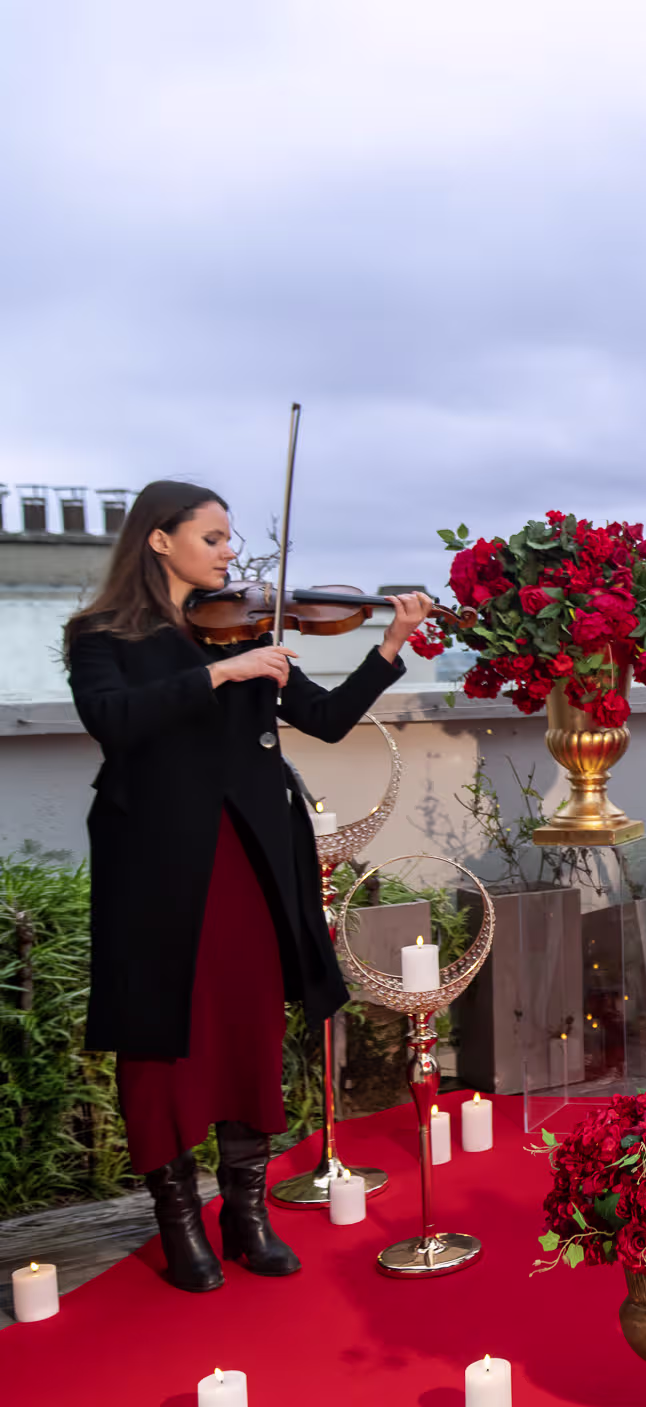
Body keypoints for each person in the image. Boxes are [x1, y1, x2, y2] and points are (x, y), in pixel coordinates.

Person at [65, 479, 432, 1293]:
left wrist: (390, 642)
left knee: (246, 1020)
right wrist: (223, 674)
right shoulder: (102, 634)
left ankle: (246, 1212)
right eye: (215, 536)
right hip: (157, 863)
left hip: (253, 854)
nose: (231, 553)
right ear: (159, 540)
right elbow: (113, 721)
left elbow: (330, 719)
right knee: (161, 1038)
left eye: (231, 539)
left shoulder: (247, 630)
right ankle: (179, 1221)